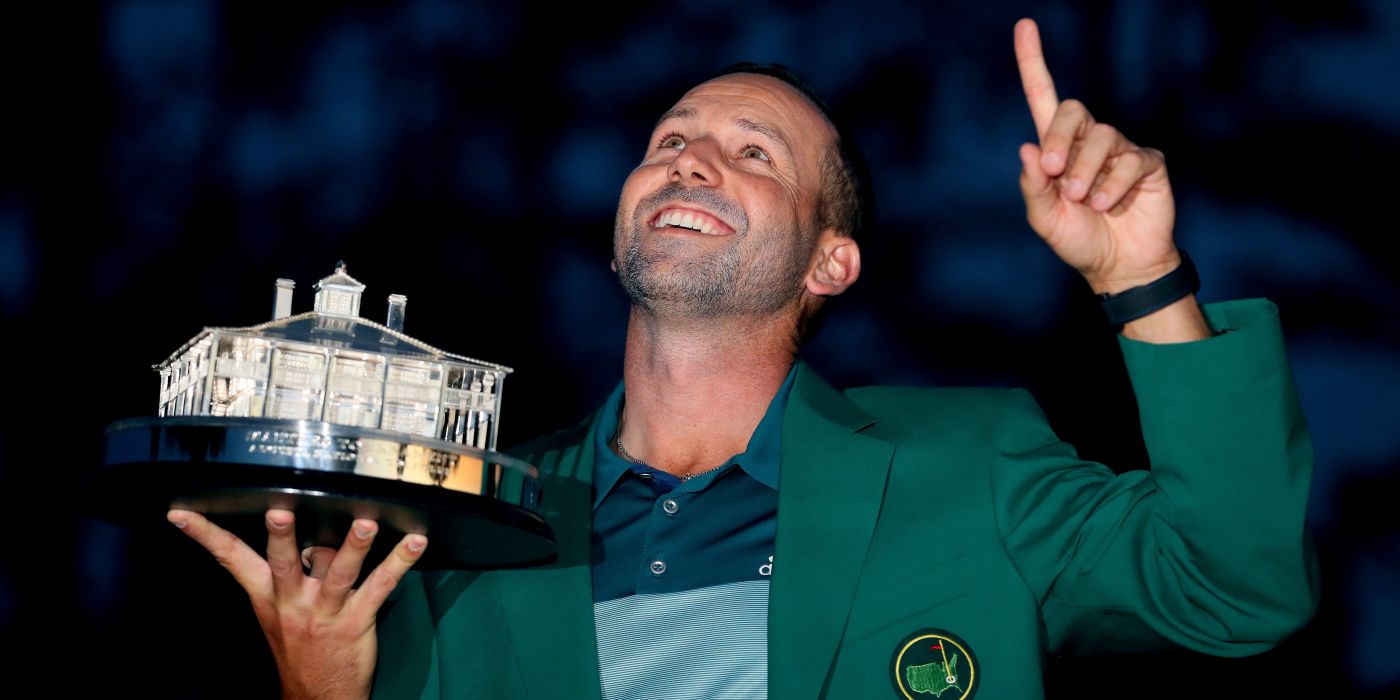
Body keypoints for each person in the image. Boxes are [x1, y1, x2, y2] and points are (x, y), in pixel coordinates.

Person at [167, 18, 1317, 699]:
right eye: (669, 142)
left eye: (749, 153)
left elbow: (1236, 588)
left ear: (829, 263)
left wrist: (1140, 277)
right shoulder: (465, 530)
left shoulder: (971, 464)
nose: (690, 162)